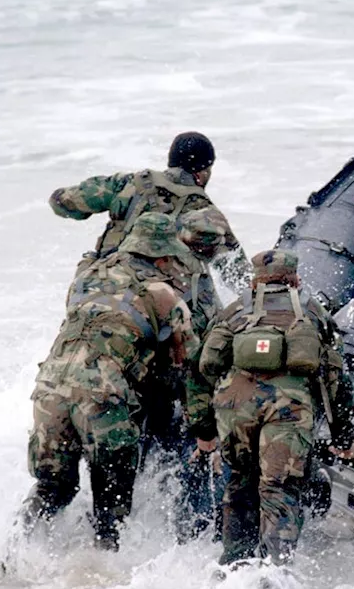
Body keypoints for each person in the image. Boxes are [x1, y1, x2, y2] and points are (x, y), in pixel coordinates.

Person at [50, 132, 244, 534]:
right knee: (179, 401)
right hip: (165, 322)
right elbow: (238, 275)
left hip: (106, 304)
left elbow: (63, 202)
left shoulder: (129, 184)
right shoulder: (205, 211)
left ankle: (103, 511)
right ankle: (178, 516)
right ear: (204, 172)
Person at [21, 213, 212, 550]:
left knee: (53, 489)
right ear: (165, 256)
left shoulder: (86, 274)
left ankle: (9, 554)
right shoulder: (164, 295)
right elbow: (190, 369)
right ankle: (104, 577)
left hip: (48, 388)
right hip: (101, 397)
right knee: (111, 504)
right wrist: (205, 432)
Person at [198, 250, 354, 568]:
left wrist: (203, 430)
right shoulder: (311, 311)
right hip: (288, 411)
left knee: (240, 481)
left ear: (254, 281)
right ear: (295, 279)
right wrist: (343, 437)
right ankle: (276, 573)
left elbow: (202, 367)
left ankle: (234, 565)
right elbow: (335, 378)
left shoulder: (233, 311)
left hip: (235, 410)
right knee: (278, 488)